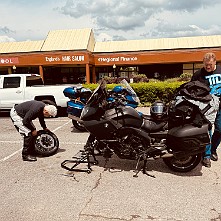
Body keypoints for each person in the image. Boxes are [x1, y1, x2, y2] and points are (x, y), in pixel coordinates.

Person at [191, 52, 221, 167]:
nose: (208, 67)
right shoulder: (198, 74)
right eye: (206, 64)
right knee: (207, 131)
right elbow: (191, 89)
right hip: (206, 108)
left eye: (210, 64)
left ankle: (213, 149)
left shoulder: (220, 70)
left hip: (220, 107)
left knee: (219, 129)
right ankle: (206, 156)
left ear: (215, 62)